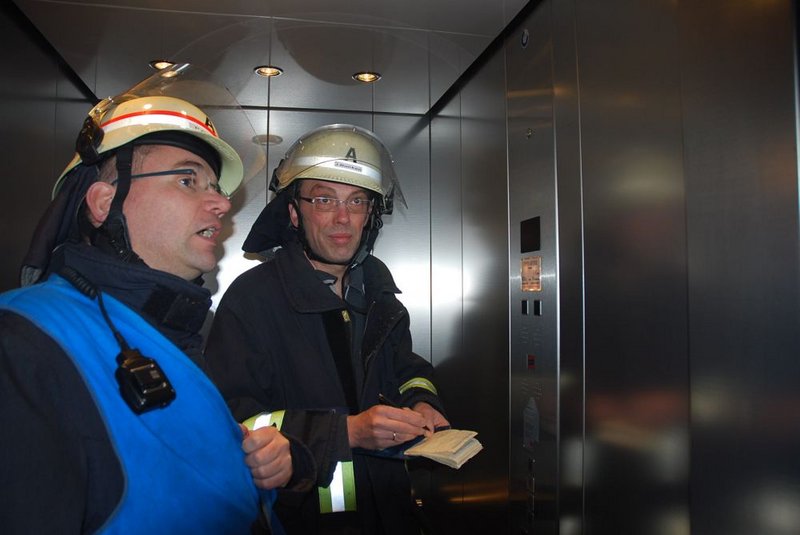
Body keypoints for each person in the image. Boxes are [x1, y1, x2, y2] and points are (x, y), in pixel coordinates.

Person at [0, 66, 312, 534]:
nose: (222, 204)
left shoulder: (171, 334)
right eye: (188, 180)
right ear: (104, 202)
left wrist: (285, 464)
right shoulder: (21, 344)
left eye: (215, 187)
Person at [204, 124, 449, 534]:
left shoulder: (379, 295)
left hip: (391, 514)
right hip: (300, 518)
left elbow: (407, 369)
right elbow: (230, 423)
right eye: (324, 199)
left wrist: (422, 401)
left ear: (371, 214)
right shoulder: (252, 301)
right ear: (294, 212)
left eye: (356, 201)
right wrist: (346, 433)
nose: (342, 217)